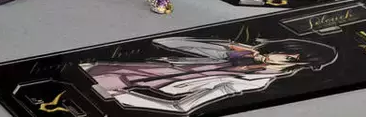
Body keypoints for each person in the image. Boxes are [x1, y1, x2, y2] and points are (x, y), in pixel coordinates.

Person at [79, 36, 338, 113]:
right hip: (122, 69)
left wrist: (120, 97)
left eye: (288, 57)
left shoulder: (252, 81)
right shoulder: (238, 54)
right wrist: (229, 47)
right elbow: (168, 42)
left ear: (298, 64)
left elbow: (181, 108)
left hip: (125, 88)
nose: (275, 55)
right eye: (279, 50)